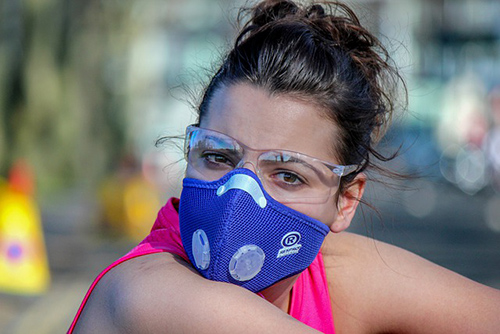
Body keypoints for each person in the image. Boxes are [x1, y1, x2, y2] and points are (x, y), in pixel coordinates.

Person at [68, 1, 500, 333]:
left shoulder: (335, 277)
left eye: (289, 175)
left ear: (346, 200)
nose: (240, 196)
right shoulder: (142, 291)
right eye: (219, 157)